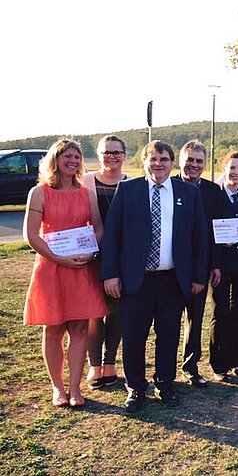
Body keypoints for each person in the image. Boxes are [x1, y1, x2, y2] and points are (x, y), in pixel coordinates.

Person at [101, 140, 209, 413]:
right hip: (136, 280)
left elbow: (200, 238)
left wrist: (198, 276)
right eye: (153, 159)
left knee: (168, 335)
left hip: (173, 280)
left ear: (172, 163)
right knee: (134, 336)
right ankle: (136, 387)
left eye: (164, 159)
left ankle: (164, 383)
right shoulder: (128, 190)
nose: (158, 164)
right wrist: (111, 274)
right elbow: (112, 235)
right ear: (144, 161)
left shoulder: (188, 192)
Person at [23, 138, 107, 408]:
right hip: (51, 268)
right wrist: (58, 258)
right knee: (53, 329)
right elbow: (31, 235)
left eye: (76, 157)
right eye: (67, 156)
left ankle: (75, 388)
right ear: (55, 159)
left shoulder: (86, 193)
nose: (72, 161)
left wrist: (90, 253)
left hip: (81, 267)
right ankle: (57, 388)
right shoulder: (39, 192)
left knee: (80, 328)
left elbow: (98, 229)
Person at [176, 140, 223, 388]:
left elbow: (216, 232)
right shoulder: (168, 186)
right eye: (190, 160)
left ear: (205, 164)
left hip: (200, 266)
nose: (194, 165)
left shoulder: (213, 191)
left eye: (199, 161)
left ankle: (191, 366)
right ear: (180, 161)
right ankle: (164, 370)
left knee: (195, 319)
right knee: (168, 321)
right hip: (171, 267)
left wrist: (215, 264)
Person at [83, 135, 129, 390]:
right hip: (90, 258)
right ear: (99, 155)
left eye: (116, 152)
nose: (112, 157)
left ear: (125, 155)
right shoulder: (85, 182)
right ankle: (94, 365)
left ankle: (110, 362)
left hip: (121, 260)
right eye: (106, 152)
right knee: (93, 312)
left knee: (116, 310)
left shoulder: (133, 184)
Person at [208, 151, 238, 382]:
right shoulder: (214, 197)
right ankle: (218, 364)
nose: (236, 173)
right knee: (220, 312)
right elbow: (208, 231)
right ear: (224, 169)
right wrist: (216, 258)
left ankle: (235, 360)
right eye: (232, 168)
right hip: (221, 265)